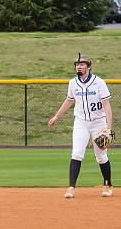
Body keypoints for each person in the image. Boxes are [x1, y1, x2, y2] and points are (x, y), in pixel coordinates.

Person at [48, 55, 114, 199]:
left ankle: (108, 185)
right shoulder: (73, 83)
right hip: (81, 122)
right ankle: (71, 188)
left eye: (82, 64)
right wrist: (56, 116)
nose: (79, 67)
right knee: (76, 154)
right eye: (77, 64)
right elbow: (69, 100)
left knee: (101, 156)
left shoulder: (99, 83)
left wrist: (107, 128)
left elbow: (107, 106)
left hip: (98, 122)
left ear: (89, 67)